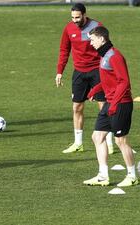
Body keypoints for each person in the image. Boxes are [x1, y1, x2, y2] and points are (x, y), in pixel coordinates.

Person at [55, 3, 115, 154]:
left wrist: (109, 70)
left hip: (97, 71)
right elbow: (64, 50)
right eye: (73, 17)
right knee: (77, 107)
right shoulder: (68, 29)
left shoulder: (97, 26)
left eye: (77, 17)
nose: (75, 20)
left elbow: (107, 49)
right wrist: (59, 72)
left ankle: (109, 143)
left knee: (103, 107)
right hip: (79, 73)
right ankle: (78, 143)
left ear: (84, 14)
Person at [83, 26, 137, 187]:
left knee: (121, 141)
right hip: (110, 103)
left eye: (92, 40)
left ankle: (132, 176)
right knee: (97, 137)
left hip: (121, 104)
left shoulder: (115, 56)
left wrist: (113, 104)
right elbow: (109, 80)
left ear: (101, 39)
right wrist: (95, 89)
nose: (91, 43)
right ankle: (103, 176)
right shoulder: (105, 55)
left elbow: (124, 82)